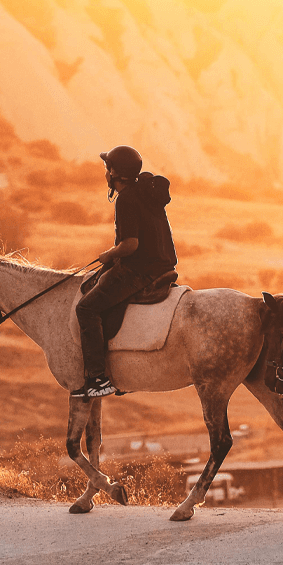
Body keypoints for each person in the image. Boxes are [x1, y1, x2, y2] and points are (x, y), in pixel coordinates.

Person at [73, 145, 178, 399]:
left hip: (140, 271)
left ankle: (98, 379)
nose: (105, 174)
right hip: (163, 265)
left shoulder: (126, 199)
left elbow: (131, 245)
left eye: (107, 169)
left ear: (115, 173)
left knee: (86, 309)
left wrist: (109, 255)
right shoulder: (146, 193)